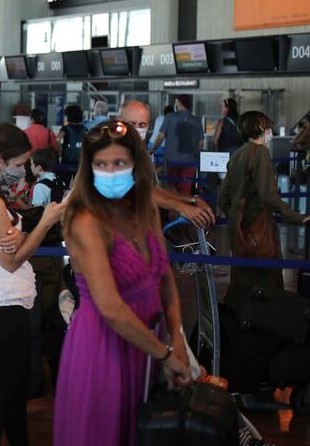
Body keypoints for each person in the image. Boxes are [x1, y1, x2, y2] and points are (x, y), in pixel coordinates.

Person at [53, 120, 192, 446]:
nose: (110, 171)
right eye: (101, 164)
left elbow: (164, 276)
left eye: (119, 163)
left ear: (135, 165)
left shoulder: (144, 209)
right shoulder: (84, 220)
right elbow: (111, 308)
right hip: (105, 348)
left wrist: (177, 335)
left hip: (150, 344)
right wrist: (166, 354)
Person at [0, 124, 63, 446]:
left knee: (12, 392)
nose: (22, 172)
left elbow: (8, 244)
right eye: (19, 165)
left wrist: (18, 230)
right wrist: (45, 222)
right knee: (1, 397)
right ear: (0, 161)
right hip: (1, 308)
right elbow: (12, 260)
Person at [218, 112, 310, 291]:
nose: (270, 132)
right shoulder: (261, 153)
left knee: (242, 282)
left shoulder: (238, 154)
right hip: (258, 226)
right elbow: (268, 196)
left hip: (238, 230)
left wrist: (237, 216)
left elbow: (222, 198)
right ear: (259, 128)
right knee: (267, 283)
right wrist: (297, 217)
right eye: (267, 128)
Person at [118, 101, 216, 228]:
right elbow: (139, 192)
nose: (137, 128)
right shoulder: (111, 154)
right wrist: (181, 207)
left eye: (142, 124)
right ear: (119, 121)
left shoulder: (142, 155)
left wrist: (192, 200)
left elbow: (156, 190)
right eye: (132, 123)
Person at [152, 94, 203, 195]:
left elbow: (161, 136)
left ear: (179, 103)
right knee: (185, 189)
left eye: (176, 102)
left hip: (172, 160)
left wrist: (153, 149)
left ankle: (173, 210)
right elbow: (200, 143)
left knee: (171, 190)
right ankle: (184, 209)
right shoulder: (196, 120)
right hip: (190, 161)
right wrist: (197, 156)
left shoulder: (170, 117)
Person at [57, 105, 87, 175]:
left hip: (66, 160)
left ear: (68, 116)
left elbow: (57, 140)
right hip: (80, 161)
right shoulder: (84, 129)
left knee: (65, 180)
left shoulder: (65, 128)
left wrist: (59, 151)